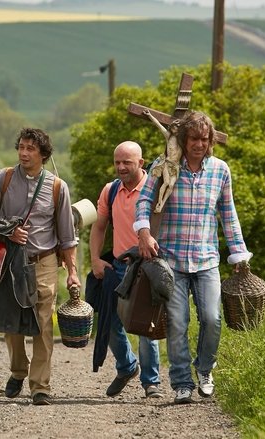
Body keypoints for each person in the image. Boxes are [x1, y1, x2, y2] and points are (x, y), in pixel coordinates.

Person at [134, 111, 252, 404]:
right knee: (177, 322)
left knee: (212, 319)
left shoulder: (220, 170)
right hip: (171, 261)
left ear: (211, 141)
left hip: (207, 259)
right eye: (194, 138)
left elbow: (228, 213)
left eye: (205, 139)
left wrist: (238, 252)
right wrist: (145, 233)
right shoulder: (165, 166)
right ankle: (182, 383)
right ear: (184, 140)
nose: (199, 144)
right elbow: (144, 201)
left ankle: (205, 369)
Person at [0, 127, 79, 406]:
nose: (23, 153)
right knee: (12, 324)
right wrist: (6, 231)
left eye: (31, 148)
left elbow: (68, 237)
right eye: (21, 147)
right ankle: (18, 371)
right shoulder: (2, 179)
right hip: (8, 260)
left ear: (43, 154)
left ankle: (40, 386)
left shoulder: (58, 187)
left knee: (43, 323)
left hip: (43, 261)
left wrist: (72, 273)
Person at [89, 141, 163, 399]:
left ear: (141, 163)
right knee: (108, 323)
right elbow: (99, 227)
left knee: (145, 324)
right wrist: (96, 260)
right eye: (117, 162)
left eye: (127, 163)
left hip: (148, 267)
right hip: (118, 266)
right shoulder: (110, 191)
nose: (120, 167)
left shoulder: (156, 189)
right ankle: (126, 366)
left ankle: (151, 382)